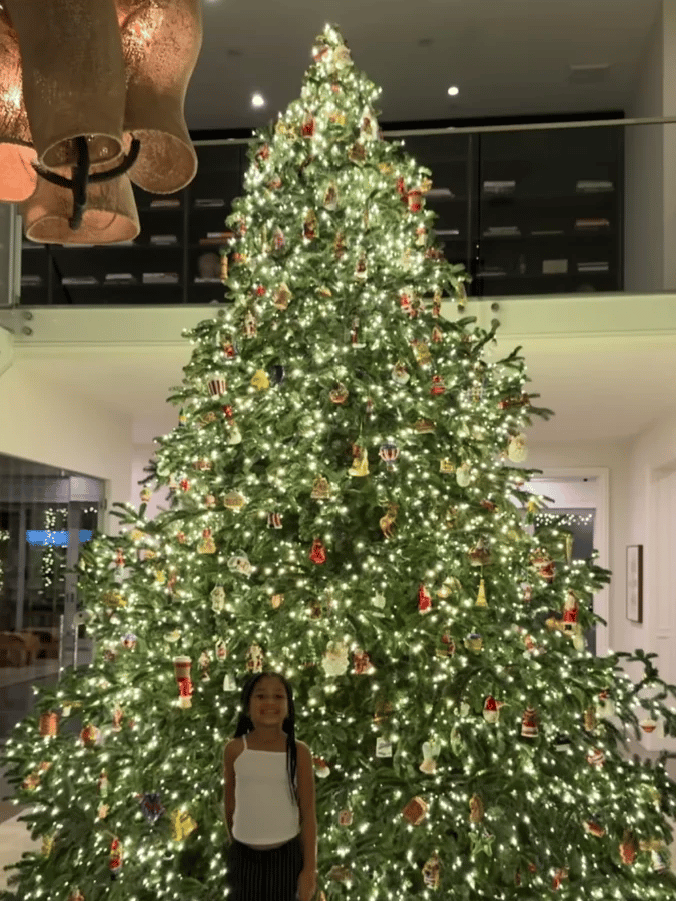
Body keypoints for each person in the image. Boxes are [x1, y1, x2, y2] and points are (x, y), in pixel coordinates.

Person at [224, 671, 317, 901]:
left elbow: (308, 812)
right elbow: (229, 804)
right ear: (247, 706)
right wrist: (236, 844)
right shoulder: (234, 750)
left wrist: (309, 870)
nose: (270, 703)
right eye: (261, 696)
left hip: (286, 858)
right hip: (243, 858)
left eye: (278, 697)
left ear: (288, 706)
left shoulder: (299, 752)